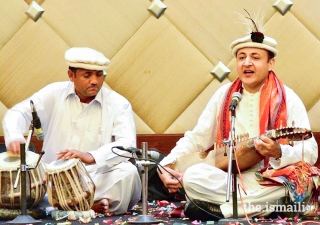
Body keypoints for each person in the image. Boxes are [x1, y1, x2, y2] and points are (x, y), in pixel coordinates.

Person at [157, 12, 318, 221]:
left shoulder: (288, 98)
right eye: (241, 57)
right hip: (229, 181)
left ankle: (223, 211)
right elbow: (197, 138)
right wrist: (167, 165)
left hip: (270, 181)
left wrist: (279, 152)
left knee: (306, 181)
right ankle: (266, 208)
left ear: (271, 64)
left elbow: (310, 151)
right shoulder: (225, 96)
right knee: (192, 178)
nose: (247, 63)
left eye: (255, 57)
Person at [2, 47, 142, 216]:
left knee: (128, 172)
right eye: (87, 75)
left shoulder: (119, 104)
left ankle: (74, 204)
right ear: (71, 75)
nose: (94, 81)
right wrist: (15, 135)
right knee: (27, 184)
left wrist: (90, 156)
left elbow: (127, 146)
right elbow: (20, 112)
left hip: (95, 178)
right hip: (52, 181)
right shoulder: (53, 93)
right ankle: (88, 205)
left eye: (99, 75)